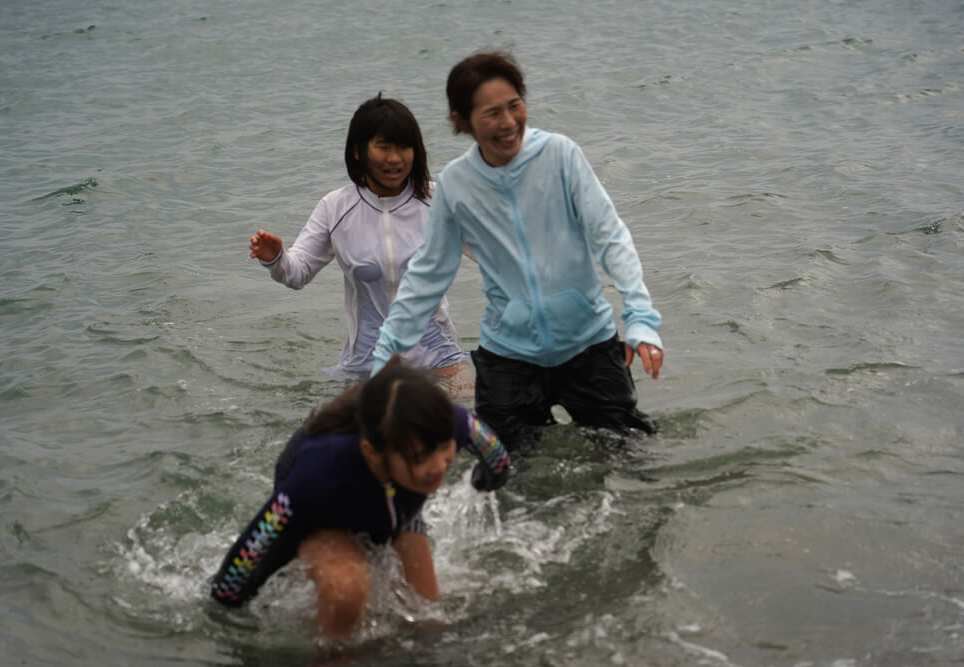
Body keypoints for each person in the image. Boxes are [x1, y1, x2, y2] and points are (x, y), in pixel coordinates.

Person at [370, 51, 664, 449]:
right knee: (502, 468)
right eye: (492, 113)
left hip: (589, 345)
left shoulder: (560, 155)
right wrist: (388, 353)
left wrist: (641, 319)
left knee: (627, 455)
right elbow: (428, 274)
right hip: (508, 359)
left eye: (515, 105)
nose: (509, 122)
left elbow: (611, 237)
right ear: (462, 120)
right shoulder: (456, 184)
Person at [209, 356, 510, 639]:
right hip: (327, 516)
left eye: (445, 450)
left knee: (429, 617)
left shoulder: (446, 423)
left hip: (394, 498)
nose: (438, 467)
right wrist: (227, 613)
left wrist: (488, 479)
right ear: (371, 451)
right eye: (420, 457)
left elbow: (496, 456)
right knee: (347, 591)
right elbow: (250, 554)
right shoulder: (315, 479)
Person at [249, 94, 470, 387]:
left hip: (439, 357)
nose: (395, 158)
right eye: (384, 147)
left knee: (480, 413)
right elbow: (297, 273)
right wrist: (276, 258)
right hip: (366, 365)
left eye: (404, 147)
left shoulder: (439, 201)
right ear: (358, 151)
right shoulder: (336, 208)